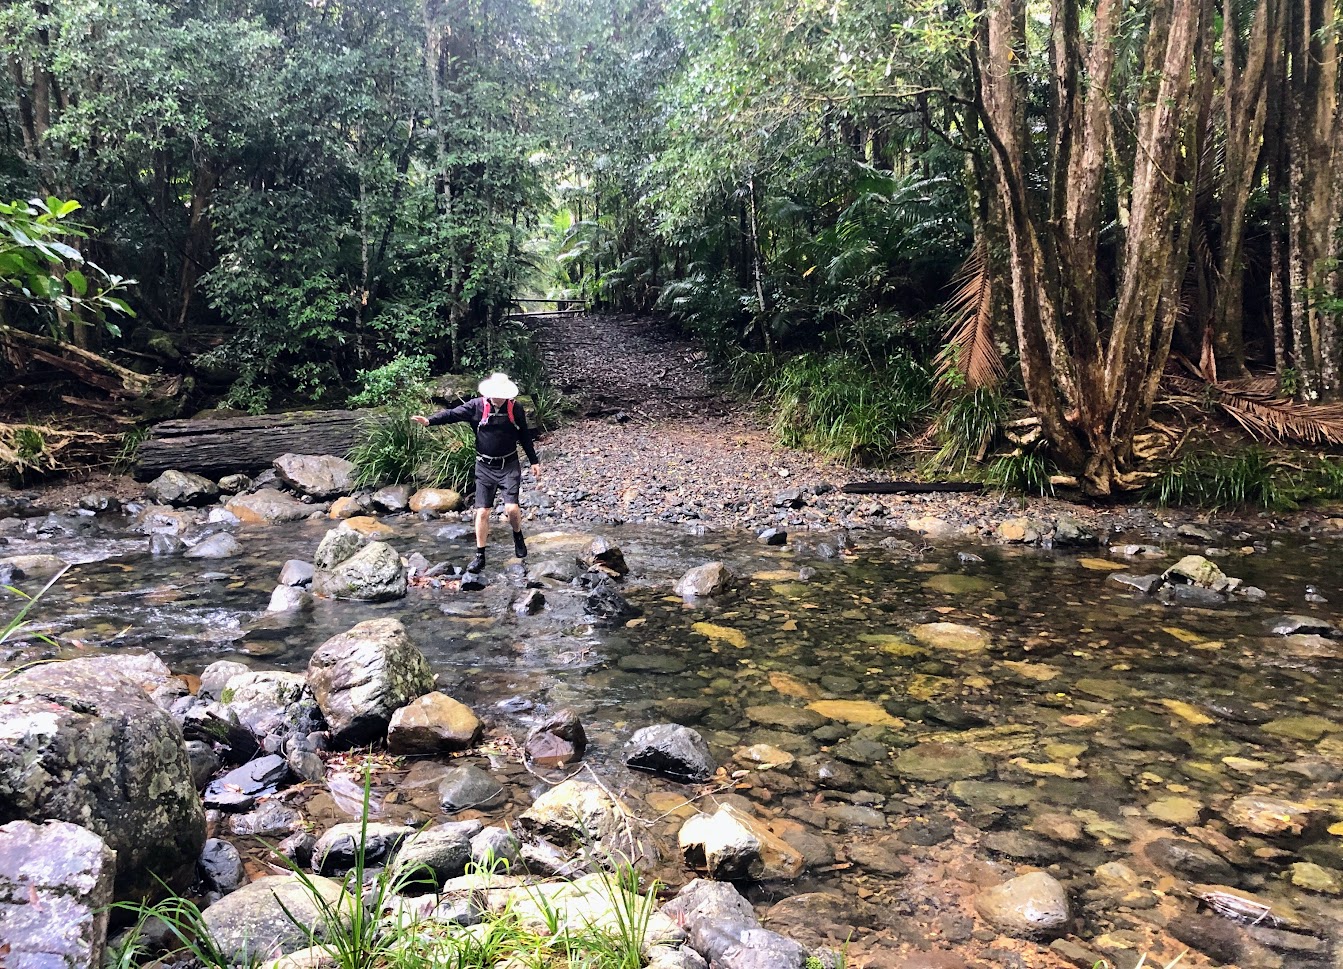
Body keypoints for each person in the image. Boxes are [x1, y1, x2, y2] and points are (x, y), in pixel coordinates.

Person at [412, 372, 541, 573]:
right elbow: (452, 414)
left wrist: (534, 461)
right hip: (484, 466)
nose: (499, 397)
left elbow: (524, 434)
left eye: (502, 394)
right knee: (482, 512)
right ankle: (480, 555)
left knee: (512, 509)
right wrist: (429, 421)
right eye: (496, 394)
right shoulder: (476, 406)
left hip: (509, 464)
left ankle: (517, 534)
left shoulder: (515, 408)